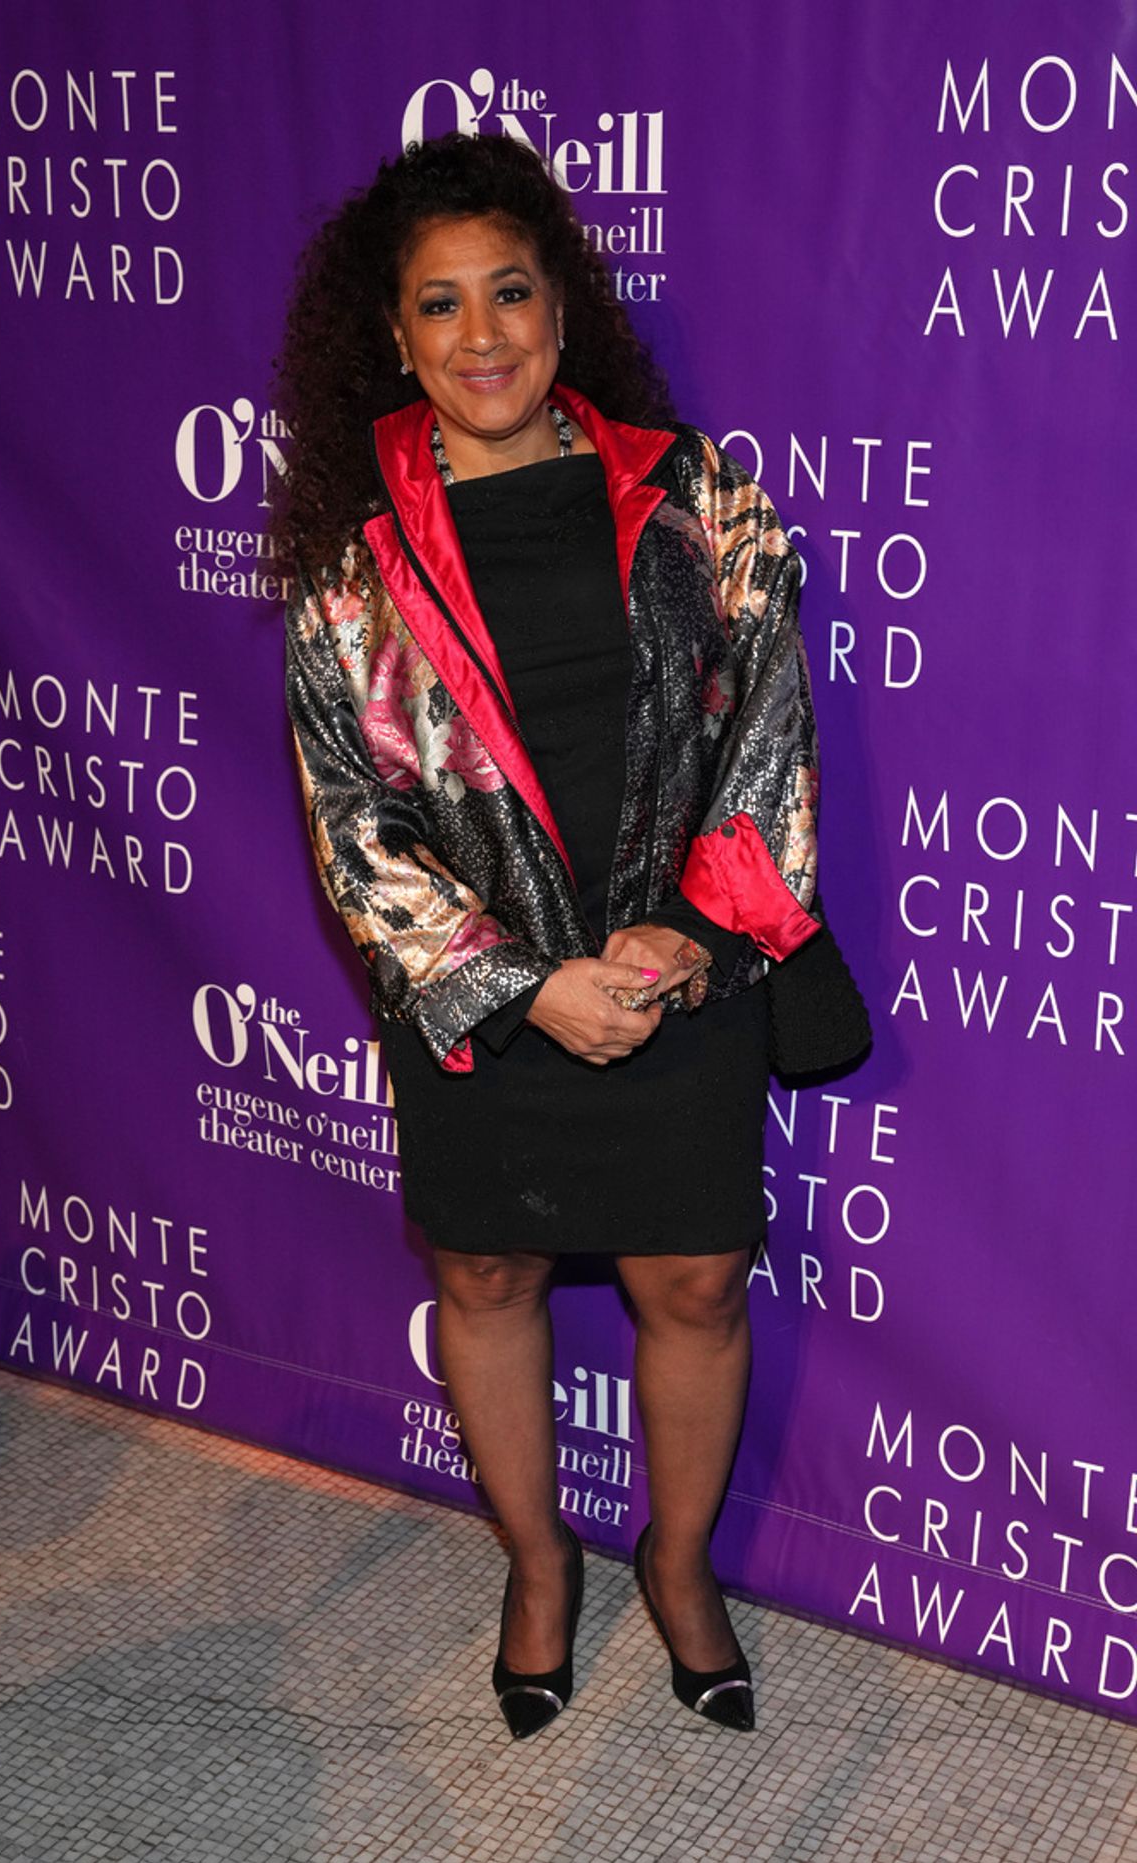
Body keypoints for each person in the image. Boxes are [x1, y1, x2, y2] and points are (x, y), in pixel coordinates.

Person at [271, 132, 868, 1740]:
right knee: (486, 1266)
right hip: (490, 997)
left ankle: (680, 1569)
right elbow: (357, 827)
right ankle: (538, 1569)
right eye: (440, 306)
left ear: (562, 306)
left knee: (691, 1283)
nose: (482, 336)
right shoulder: (349, 574)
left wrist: (674, 945)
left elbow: (772, 749)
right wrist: (531, 992)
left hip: (685, 973)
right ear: (394, 339)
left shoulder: (697, 499)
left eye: (510, 292)